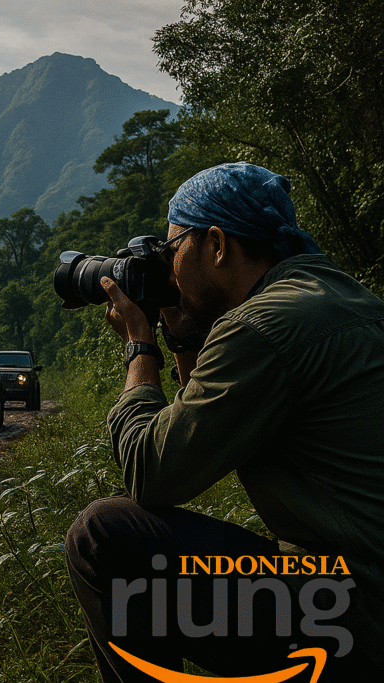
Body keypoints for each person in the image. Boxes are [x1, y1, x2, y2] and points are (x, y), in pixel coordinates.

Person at [64, 162, 384, 681]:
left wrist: (139, 348)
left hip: (351, 616)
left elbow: (154, 473)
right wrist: (183, 332)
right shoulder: (341, 298)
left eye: (173, 250)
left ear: (215, 244)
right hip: (365, 588)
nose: (168, 269)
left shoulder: (258, 328)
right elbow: (200, 427)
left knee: (104, 534)